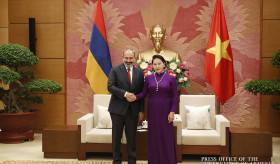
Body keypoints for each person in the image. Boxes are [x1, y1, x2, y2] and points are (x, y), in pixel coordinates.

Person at [130, 55, 178, 164]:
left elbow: (175, 97)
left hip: (166, 112)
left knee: (166, 137)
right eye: (155, 64)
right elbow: (144, 93)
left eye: (159, 64)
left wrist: (172, 112)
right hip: (152, 112)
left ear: (164, 64)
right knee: (154, 137)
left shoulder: (171, 79)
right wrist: (134, 97)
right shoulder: (149, 78)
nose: (157, 66)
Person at [107, 49, 145, 164]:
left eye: (131, 58)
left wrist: (141, 110)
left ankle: (132, 161)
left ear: (135, 58)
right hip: (117, 110)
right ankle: (116, 161)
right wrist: (125, 94)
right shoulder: (115, 70)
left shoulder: (139, 72)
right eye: (126, 58)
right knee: (116, 138)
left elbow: (141, 92)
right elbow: (110, 87)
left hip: (133, 110)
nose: (128, 61)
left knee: (131, 138)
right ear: (122, 57)